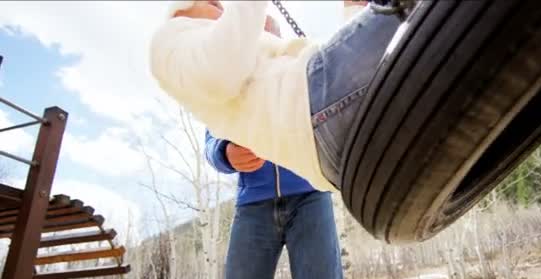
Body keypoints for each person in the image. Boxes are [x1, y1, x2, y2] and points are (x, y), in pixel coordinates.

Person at [150, 0, 403, 192]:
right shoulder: (170, 39)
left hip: (331, 149)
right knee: (413, 14)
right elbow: (219, 74)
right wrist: (221, 152)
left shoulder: (252, 64)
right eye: (213, 3)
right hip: (312, 112)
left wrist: (359, 13)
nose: (221, 7)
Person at [203, 15, 343, 279]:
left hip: (311, 199)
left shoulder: (302, 76)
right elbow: (210, 143)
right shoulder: (228, 90)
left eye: (269, 37)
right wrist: (225, 152)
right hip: (253, 208)